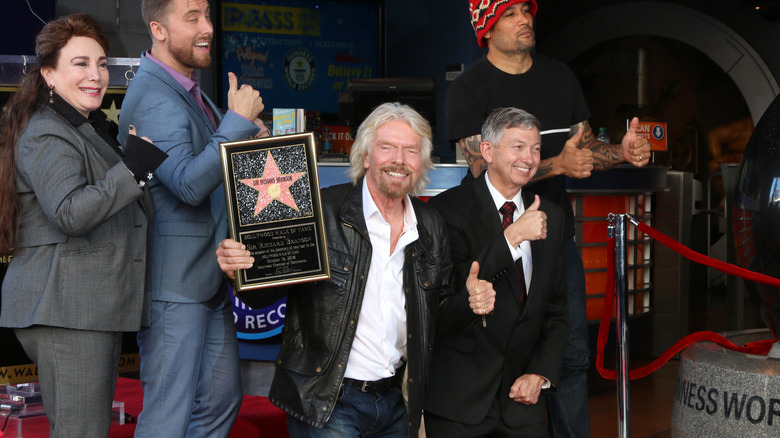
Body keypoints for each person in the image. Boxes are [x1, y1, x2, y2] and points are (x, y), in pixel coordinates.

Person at [216, 102, 486, 437]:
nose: (399, 160)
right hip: (328, 399)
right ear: (366, 155)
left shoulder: (429, 224)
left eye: (411, 151)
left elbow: (438, 315)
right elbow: (264, 295)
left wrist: (470, 304)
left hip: (395, 400)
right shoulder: (321, 210)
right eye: (387, 147)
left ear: (422, 163)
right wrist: (239, 271)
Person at [448, 2, 653, 436]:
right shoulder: (469, 87)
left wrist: (622, 152)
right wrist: (557, 166)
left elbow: (586, 148)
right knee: (492, 352)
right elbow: (479, 166)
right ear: (486, 27)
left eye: (527, 10)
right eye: (510, 14)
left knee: (571, 357)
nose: (525, 19)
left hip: (555, 241)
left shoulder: (559, 76)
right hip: (494, 240)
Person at [0, 13, 165, 437]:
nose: (96, 75)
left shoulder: (83, 128)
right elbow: (70, 212)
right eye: (80, 63)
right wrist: (132, 168)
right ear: (50, 74)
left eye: (102, 63)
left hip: (88, 310)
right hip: (67, 311)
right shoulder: (48, 132)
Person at [116, 0, 267, 436]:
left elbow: (216, 165)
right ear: (158, 30)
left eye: (207, 15)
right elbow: (185, 182)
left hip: (208, 280)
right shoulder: (152, 97)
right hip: (173, 288)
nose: (208, 27)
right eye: (192, 18)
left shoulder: (189, 92)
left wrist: (252, 136)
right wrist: (235, 123)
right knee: (169, 415)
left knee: (220, 402)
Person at [424, 107, 569, 437]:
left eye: (535, 148)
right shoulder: (446, 210)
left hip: (523, 401)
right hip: (459, 402)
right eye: (518, 146)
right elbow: (453, 300)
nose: (529, 158)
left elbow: (557, 311)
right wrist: (513, 236)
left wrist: (540, 374)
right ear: (487, 151)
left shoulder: (552, 216)